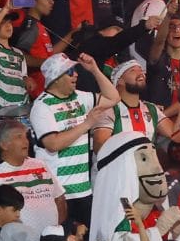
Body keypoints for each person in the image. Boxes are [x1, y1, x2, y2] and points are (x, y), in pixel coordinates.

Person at [29, 53, 118, 223]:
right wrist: (87, 124)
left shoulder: (80, 97)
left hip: (84, 190)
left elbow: (113, 97)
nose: (76, 74)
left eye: (75, 70)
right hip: (59, 194)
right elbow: (53, 143)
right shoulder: (42, 106)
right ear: (56, 77)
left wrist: (95, 70)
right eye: (69, 71)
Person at [0, 121, 66, 241]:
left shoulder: (40, 165)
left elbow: (59, 199)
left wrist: (56, 234)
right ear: (4, 145)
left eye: (26, 136)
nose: (26, 141)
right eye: (19, 137)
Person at [0, 4, 30, 120]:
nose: (8, 25)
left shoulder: (19, 53)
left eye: (9, 22)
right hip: (0, 109)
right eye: (2, 23)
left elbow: (23, 76)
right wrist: (5, 9)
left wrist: (27, 80)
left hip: (22, 108)